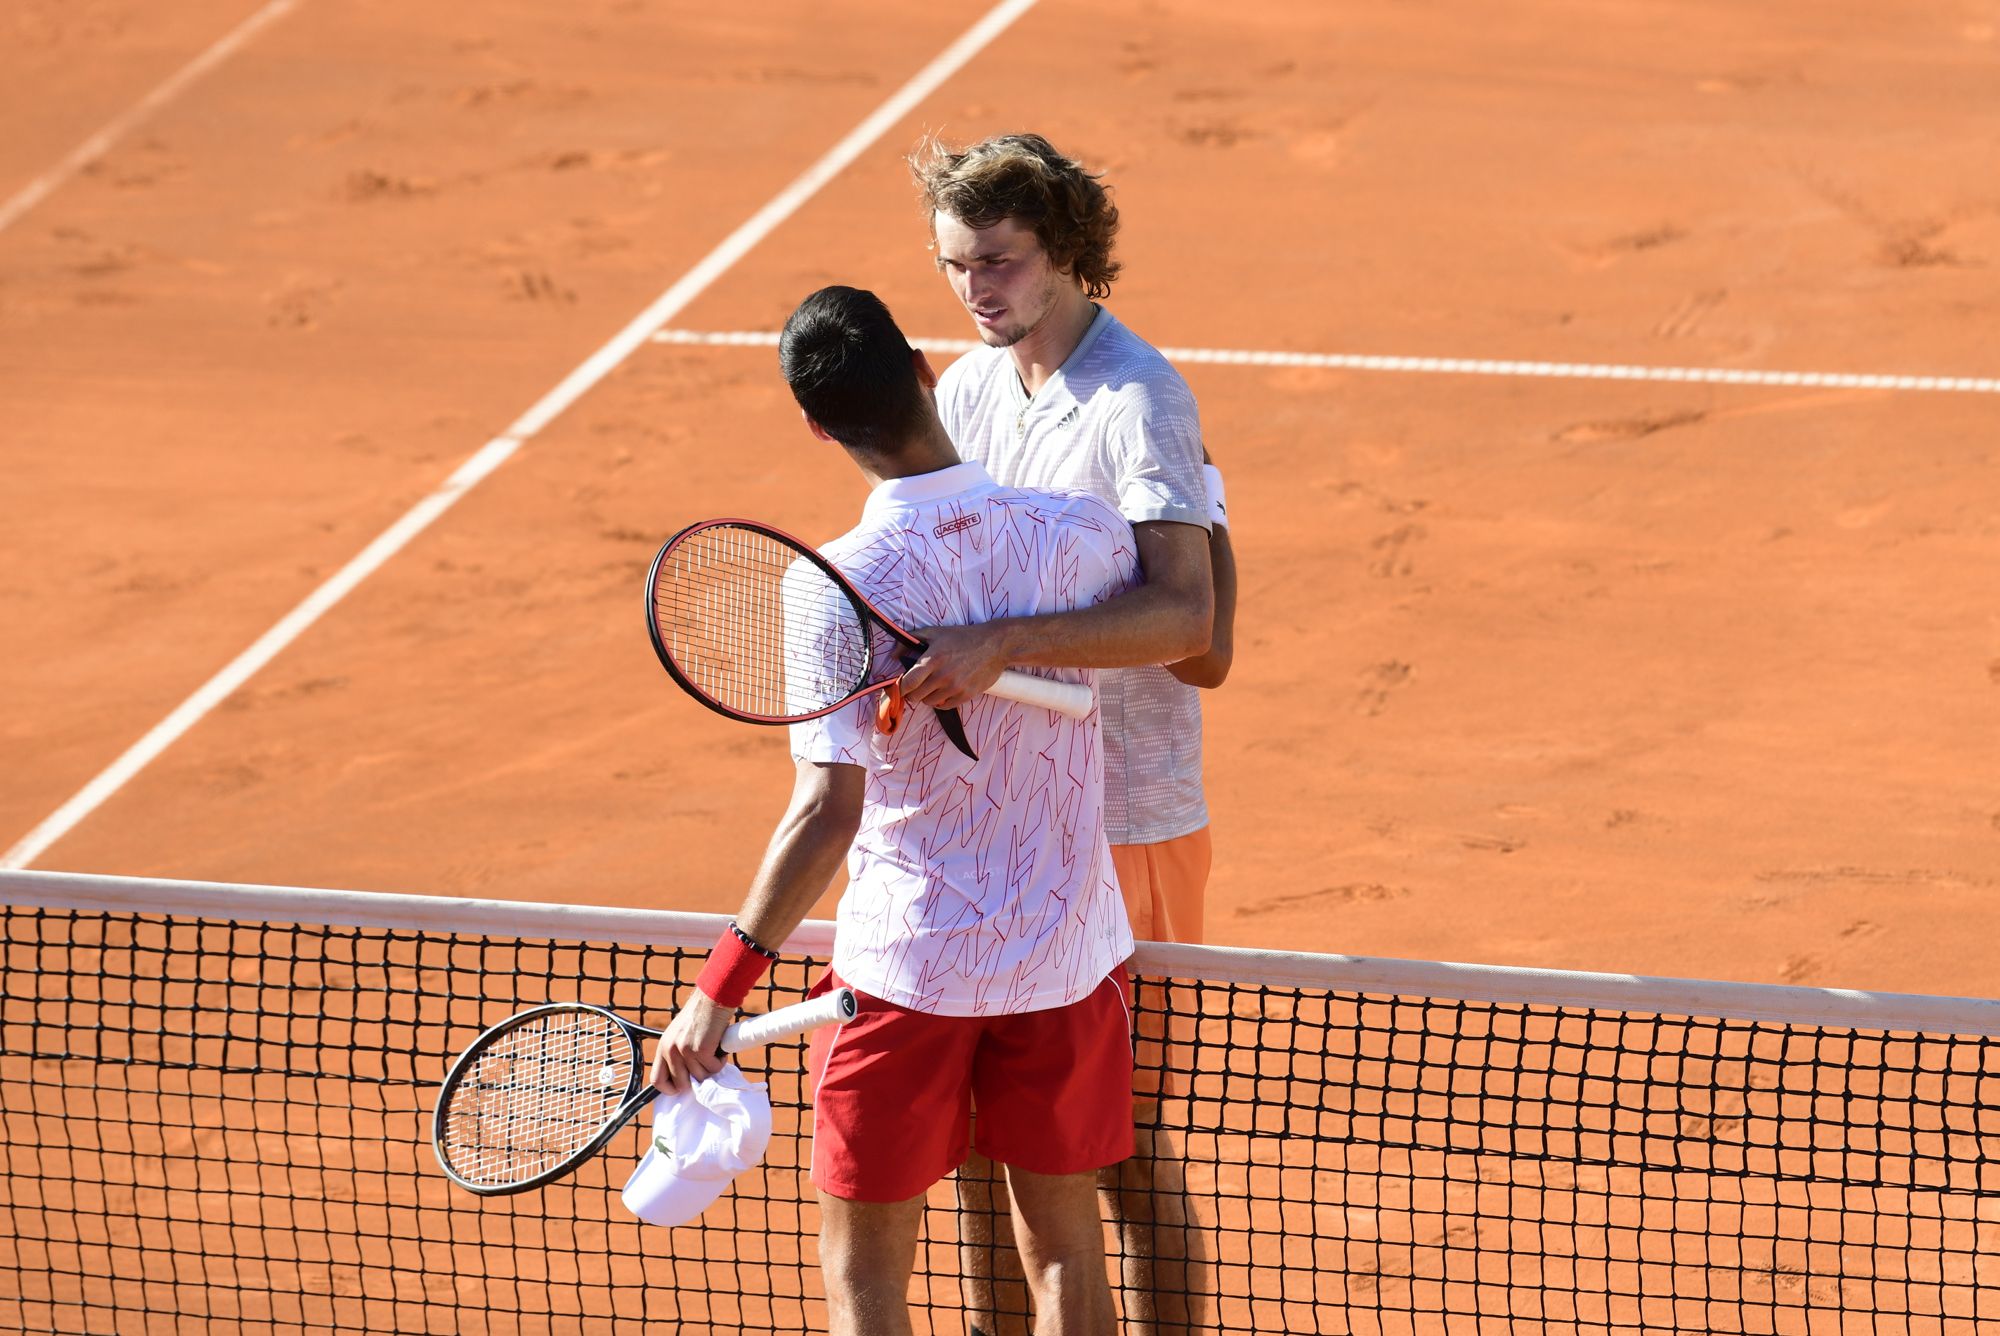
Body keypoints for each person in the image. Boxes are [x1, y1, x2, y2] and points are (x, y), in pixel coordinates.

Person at [648, 285, 1140, 1336]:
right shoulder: (1079, 535)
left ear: (817, 427)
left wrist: (719, 988)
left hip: (907, 972)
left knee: (866, 1281)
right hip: (1062, 954)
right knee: (1065, 1257)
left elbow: (827, 810)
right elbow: (1192, 622)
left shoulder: (833, 585)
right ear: (924, 367)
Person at [902, 131, 1237, 1336]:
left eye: (996, 261)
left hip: (1127, 822)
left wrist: (1001, 643)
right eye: (954, 266)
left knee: (1125, 1150)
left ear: (1065, 252)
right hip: (1002, 831)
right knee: (983, 1152)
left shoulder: (1138, 399)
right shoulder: (965, 388)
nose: (974, 289)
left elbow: (1193, 626)